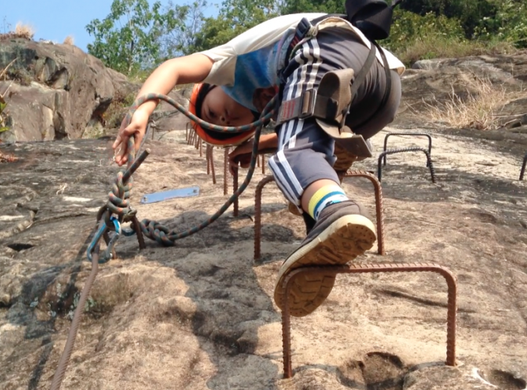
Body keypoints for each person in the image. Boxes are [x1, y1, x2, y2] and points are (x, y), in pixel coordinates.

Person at [112, 3, 405, 317]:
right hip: (378, 92)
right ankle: (320, 219)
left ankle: (333, 208)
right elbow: (297, 124)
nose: (223, 118)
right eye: (227, 127)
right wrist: (262, 142)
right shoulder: (279, 103)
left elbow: (172, 68)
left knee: (292, 156)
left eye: (212, 112)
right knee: (306, 138)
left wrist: (141, 111)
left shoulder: (226, 62)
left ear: (211, 87)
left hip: (327, 47)